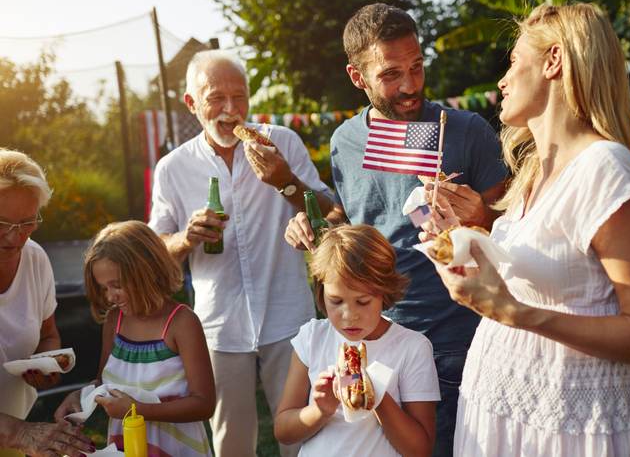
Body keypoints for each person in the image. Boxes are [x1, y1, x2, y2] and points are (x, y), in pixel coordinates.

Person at [427, 3, 630, 456]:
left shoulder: (606, 169)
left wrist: (515, 313)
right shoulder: (532, 175)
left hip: (574, 428)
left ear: (553, 61)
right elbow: (554, 272)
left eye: (512, 61)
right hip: (507, 415)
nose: (501, 81)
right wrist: (466, 239)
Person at [284, 3, 508, 456]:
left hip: (459, 333)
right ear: (357, 76)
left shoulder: (465, 130)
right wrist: (314, 228)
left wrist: (483, 217)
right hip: (379, 333)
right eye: (390, 74)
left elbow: (516, 227)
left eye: (417, 67)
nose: (410, 85)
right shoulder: (345, 141)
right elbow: (356, 225)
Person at [149, 49, 334, 457]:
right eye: (216, 98)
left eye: (240, 97)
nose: (231, 110)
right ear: (192, 103)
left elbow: (330, 212)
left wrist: (285, 181)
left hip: (288, 316)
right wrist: (186, 237)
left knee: (303, 438)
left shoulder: (281, 142)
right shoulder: (173, 168)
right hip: (220, 326)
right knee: (231, 442)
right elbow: (154, 251)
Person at [275, 224, 440, 456]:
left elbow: (420, 449)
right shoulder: (312, 337)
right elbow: (283, 431)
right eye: (336, 301)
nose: (349, 315)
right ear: (321, 291)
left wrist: (376, 397)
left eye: (362, 302)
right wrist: (320, 410)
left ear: (384, 292)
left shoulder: (412, 347)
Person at [55, 220, 215, 456]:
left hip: (174, 447)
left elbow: (204, 404)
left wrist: (137, 410)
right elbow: (103, 382)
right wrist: (79, 396)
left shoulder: (182, 323)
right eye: (103, 288)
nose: (110, 296)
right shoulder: (114, 321)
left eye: (116, 285)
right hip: (127, 446)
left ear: (147, 271)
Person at [0, 148, 94, 457]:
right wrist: (19, 432)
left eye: (27, 223)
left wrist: (45, 362)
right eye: (1, 223)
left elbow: (48, 334)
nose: (15, 238)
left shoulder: (35, 259)